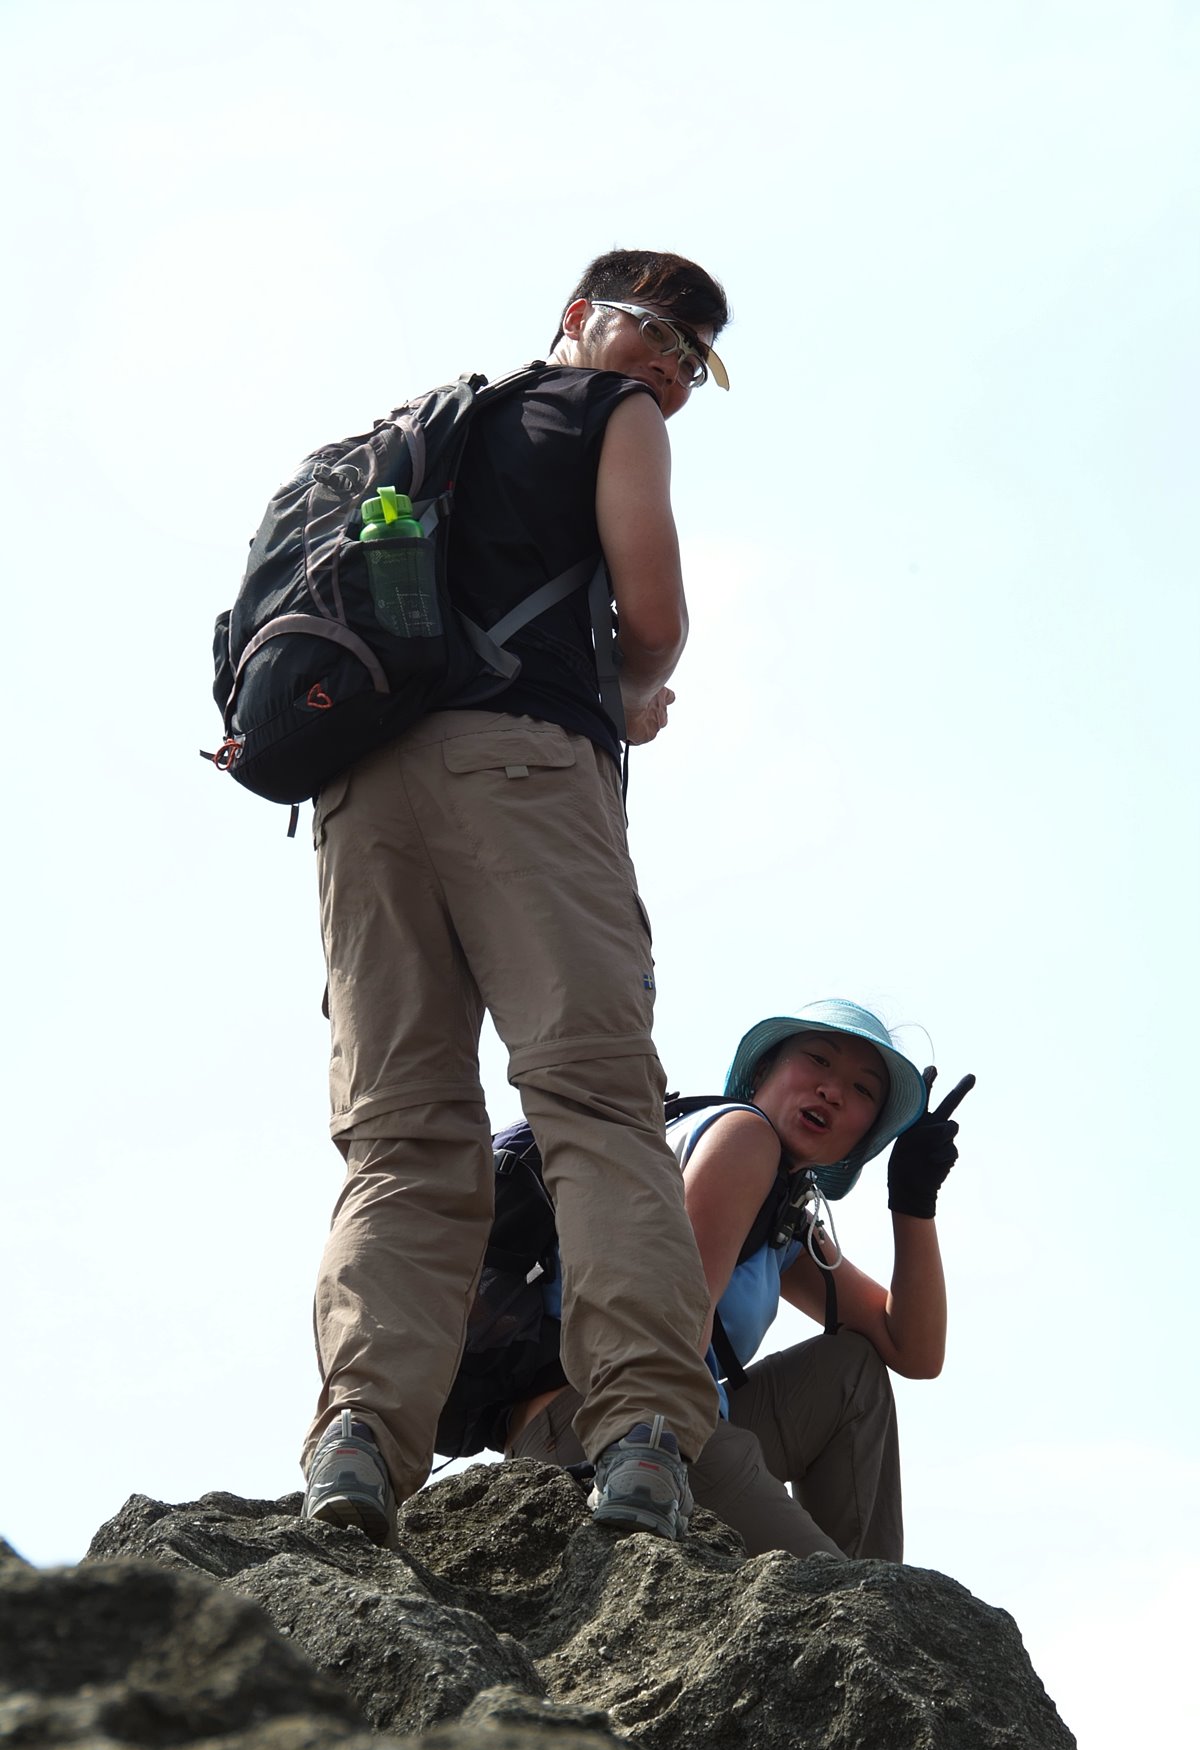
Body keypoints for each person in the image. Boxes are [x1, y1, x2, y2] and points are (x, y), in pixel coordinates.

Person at [300, 249, 733, 1547]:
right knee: (595, 1104)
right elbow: (654, 613)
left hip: (360, 792)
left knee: (401, 1134)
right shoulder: (611, 412)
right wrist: (635, 692)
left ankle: (359, 1443)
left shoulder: (419, 434)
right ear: (579, 318)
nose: (667, 367)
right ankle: (642, 1435)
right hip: (523, 773)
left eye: (691, 360)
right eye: (655, 332)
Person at [507, 999, 974, 1561]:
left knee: (851, 1370)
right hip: (605, 1419)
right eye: (818, 1061)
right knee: (826, 1596)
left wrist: (914, 1200)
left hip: (664, 1417)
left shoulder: (783, 1213)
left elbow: (913, 1350)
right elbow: (671, 1329)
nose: (833, 1091)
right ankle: (861, 1593)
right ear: (762, 1072)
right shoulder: (743, 1137)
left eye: (863, 1090)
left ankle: (871, 1580)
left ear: (864, 1135)